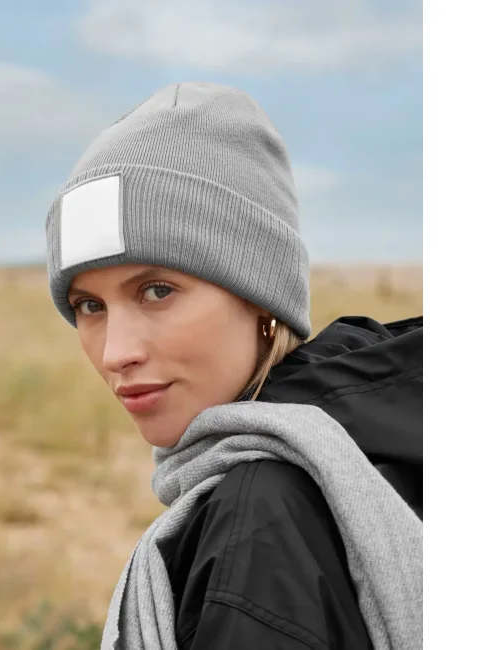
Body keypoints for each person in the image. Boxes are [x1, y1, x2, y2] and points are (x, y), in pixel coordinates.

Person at [45, 82, 423, 650]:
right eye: (89, 306)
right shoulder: (381, 431)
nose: (114, 352)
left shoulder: (256, 518)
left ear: (261, 297)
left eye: (157, 291)